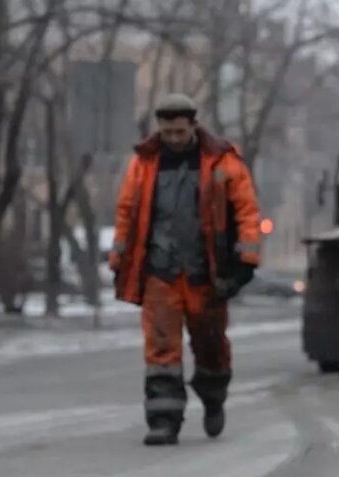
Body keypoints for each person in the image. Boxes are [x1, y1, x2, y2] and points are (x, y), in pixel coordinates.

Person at [108, 93, 262, 446]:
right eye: (167, 132)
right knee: (161, 348)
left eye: (179, 132)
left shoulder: (223, 161)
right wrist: (119, 260)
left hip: (206, 274)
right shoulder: (144, 165)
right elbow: (127, 213)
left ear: (194, 125)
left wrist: (244, 265)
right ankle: (163, 420)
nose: (174, 139)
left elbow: (246, 211)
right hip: (160, 273)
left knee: (210, 344)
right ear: (159, 129)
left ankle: (213, 395)